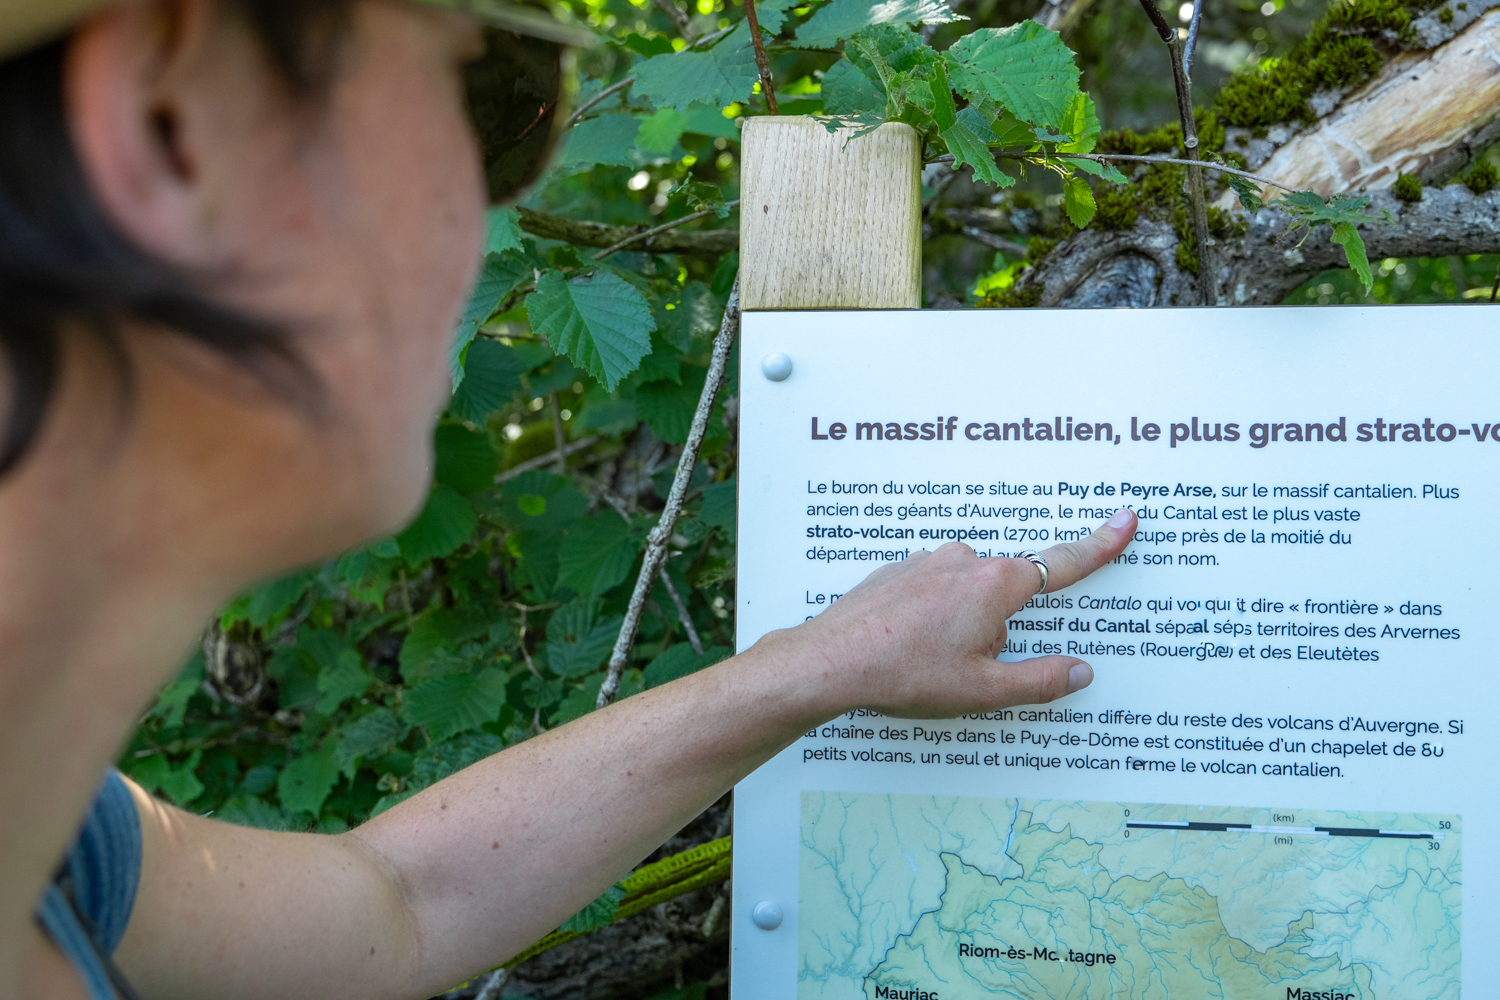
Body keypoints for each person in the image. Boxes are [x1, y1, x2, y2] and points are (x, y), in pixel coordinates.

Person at [0, 0, 1140, 996]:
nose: (489, 213)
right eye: (477, 109)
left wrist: (820, 664)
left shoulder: (57, 848)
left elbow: (398, 903)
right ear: (170, 121)